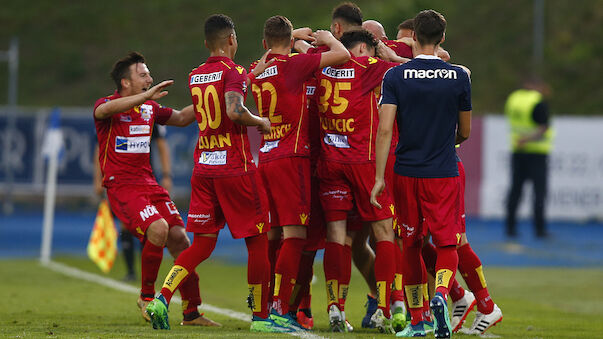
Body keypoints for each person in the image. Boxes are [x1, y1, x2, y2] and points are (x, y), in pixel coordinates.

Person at [144, 14, 290, 333]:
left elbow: (225, 90)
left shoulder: (196, 75)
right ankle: (261, 316)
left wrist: (253, 72)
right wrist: (261, 122)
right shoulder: (234, 72)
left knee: (202, 244)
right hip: (235, 169)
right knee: (257, 241)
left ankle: (161, 298)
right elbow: (235, 110)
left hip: (204, 168)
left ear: (207, 43)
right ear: (232, 40)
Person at [93, 51, 219, 327]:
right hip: (122, 186)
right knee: (159, 228)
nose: (150, 78)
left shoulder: (149, 109)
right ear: (126, 83)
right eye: (143, 74)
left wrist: (215, 95)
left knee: (180, 241)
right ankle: (147, 297)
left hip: (149, 183)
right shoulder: (107, 105)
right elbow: (103, 111)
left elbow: (184, 117)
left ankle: (192, 312)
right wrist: (146, 97)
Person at [371, 9, 472, 338]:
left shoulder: (395, 77)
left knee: (411, 244)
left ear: (413, 37)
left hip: (406, 171)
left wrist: (378, 177)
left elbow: (384, 130)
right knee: (446, 243)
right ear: (442, 38)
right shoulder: (459, 77)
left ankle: (417, 321)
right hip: (443, 171)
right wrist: (445, 141)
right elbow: (465, 132)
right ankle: (441, 295)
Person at [248, 15, 350, 331]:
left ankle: (262, 309)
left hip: (265, 157)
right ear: (289, 43)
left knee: (274, 234)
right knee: (296, 236)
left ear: (265, 43)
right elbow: (343, 55)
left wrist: (290, 37)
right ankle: (279, 311)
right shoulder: (296, 65)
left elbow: (267, 55)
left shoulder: (258, 69)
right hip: (292, 158)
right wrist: (325, 38)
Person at [316, 28, 403, 334]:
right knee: (384, 233)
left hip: (329, 161)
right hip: (361, 162)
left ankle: (335, 308)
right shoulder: (365, 68)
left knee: (337, 236)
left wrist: (322, 39)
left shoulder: (321, 66)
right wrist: (388, 52)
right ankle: (385, 306)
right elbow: (407, 69)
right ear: (363, 49)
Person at [93, 123, 172, 283]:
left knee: (151, 225)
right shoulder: (114, 113)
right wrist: (98, 177)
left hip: (146, 178)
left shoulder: (148, 113)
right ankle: (131, 271)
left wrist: (166, 174)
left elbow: (162, 145)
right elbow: (99, 148)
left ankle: (146, 273)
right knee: (125, 224)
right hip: (121, 181)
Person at [504, 77, 554, 239]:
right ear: (535, 86)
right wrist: (528, 139)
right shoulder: (537, 101)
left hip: (517, 150)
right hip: (537, 152)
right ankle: (539, 230)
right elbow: (544, 127)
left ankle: (510, 228)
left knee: (515, 190)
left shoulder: (513, 99)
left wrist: (521, 140)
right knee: (539, 192)